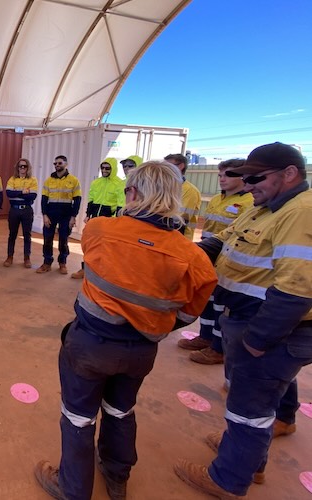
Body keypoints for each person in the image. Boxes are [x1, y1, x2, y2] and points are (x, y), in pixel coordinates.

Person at [34, 161, 217, 500]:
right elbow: (190, 314)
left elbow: (105, 261)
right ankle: (117, 476)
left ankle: (73, 489)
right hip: (141, 350)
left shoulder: (100, 229)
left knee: (78, 418)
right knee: (120, 410)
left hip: (89, 345)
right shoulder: (192, 257)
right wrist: (153, 323)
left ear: (131, 193)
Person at [174, 142, 312, 499]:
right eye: (245, 178)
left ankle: (228, 479)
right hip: (256, 323)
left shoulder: (300, 214)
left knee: (248, 406)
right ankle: (256, 453)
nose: (248, 185)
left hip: (271, 328)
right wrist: (186, 253)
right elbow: (225, 241)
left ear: (290, 174)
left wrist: (255, 341)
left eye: (255, 178)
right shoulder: (263, 208)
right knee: (266, 394)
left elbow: (296, 291)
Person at [177, 159, 253, 365]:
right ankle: (205, 336)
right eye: (220, 175)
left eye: (228, 175)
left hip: (230, 260)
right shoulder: (217, 200)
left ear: (243, 177)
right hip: (209, 255)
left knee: (222, 305)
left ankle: (218, 349)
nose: (222, 179)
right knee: (207, 300)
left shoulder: (250, 203)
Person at [70, 157, 124, 279]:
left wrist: (115, 220)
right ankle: (84, 269)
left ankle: (101, 273)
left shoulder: (119, 184)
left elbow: (120, 204)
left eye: (107, 168)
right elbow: (91, 199)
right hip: (94, 219)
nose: (104, 170)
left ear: (113, 169)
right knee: (89, 244)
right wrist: (88, 215)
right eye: (103, 168)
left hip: (108, 220)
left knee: (106, 247)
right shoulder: (96, 182)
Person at [37, 155, 81, 274]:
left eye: (59, 163)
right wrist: (45, 215)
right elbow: (44, 199)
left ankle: (62, 263)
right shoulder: (49, 180)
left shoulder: (73, 180)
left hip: (66, 214)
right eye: (55, 164)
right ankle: (47, 263)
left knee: (63, 239)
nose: (57, 165)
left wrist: (73, 217)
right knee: (47, 239)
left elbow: (77, 200)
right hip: (51, 213)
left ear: (66, 164)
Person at [3, 158, 38, 268]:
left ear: (28, 168)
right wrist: (23, 192)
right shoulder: (12, 179)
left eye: (24, 166)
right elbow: (9, 193)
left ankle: (27, 258)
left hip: (26, 210)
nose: (22, 168)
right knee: (12, 235)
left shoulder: (33, 180)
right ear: (17, 168)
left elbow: (32, 196)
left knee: (27, 235)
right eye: (20, 166)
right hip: (14, 210)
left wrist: (16, 193)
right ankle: (9, 257)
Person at [165, 153, 202, 241]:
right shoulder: (166, 188)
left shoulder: (190, 191)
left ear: (180, 166)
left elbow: (178, 220)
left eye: (167, 166)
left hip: (179, 238)